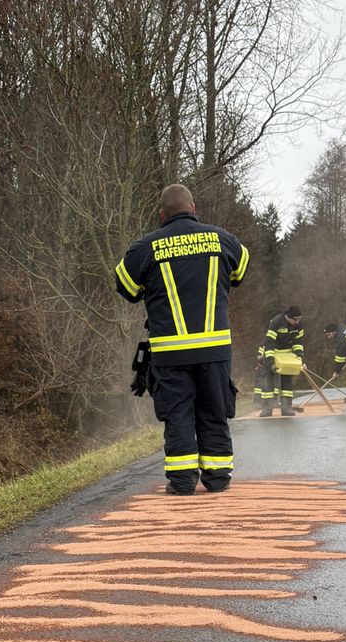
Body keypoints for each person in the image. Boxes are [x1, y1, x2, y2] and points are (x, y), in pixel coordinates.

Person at [114, 183, 249, 494]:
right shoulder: (221, 239)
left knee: (178, 414)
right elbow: (241, 271)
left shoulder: (146, 247)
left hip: (170, 353)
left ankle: (182, 481)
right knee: (214, 409)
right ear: (194, 209)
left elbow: (126, 287)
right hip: (215, 350)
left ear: (162, 215)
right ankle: (217, 479)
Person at [257, 306, 305, 417]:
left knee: (287, 382)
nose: (297, 322)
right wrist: (271, 363)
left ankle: (286, 408)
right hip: (273, 352)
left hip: (287, 355)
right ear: (288, 317)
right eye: (295, 319)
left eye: (299, 319)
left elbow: (298, 343)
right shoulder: (276, 322)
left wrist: (299, 359)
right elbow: (269, 343)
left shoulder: (299, 324)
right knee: (268, 382)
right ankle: (267, 409)